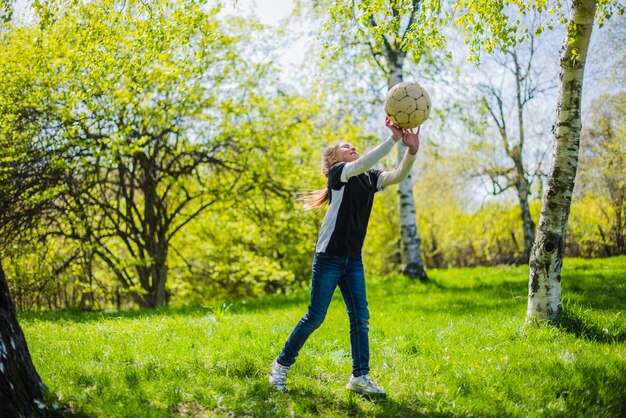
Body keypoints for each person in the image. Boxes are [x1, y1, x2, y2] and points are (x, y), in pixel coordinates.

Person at [269, 117, 421, 396]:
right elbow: (359, 165)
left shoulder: (370, 177)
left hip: (353, 261)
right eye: (344, 146)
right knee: (315, 317)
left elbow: (397, 175)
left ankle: (359, 377)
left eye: (352, 146)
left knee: (360, 318)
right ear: (332, 160)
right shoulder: (339, 173)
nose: (352, 147)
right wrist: (393, 140)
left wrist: (411, 151)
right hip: (328, 257)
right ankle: (281, 364)